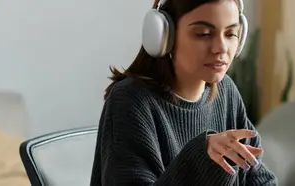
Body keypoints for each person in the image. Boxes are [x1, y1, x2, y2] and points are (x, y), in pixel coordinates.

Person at [89, 0, 278, 185]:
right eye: (203, 34)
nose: (221, 48)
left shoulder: (226, 91)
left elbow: (258, 176)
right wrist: (201, 155)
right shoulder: (130, 101)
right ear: (164, 36)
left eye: (230, 34)